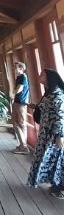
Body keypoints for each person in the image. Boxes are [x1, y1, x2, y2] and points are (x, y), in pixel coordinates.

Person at [27, 69, 64, 197]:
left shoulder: (57, 94)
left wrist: (60, 135)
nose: (39, 76)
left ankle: (61, 187)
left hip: (54, 133)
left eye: (42, 74)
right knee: (48, 158)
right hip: (46, 131)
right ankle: (54, 185)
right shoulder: (49, 93)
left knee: (58, 159)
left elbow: (60, 116)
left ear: (49, 78)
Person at [12, 62, 31, 155]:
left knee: (21, 124)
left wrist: (12, 93)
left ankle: (24, 147)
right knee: (16, 123)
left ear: (21, 68)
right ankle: (22, 145)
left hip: (21, 103)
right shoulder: (19, 77)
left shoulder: (23, 77)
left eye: (15, 68)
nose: (14, 69)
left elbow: (19, 89)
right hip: (17, 102)